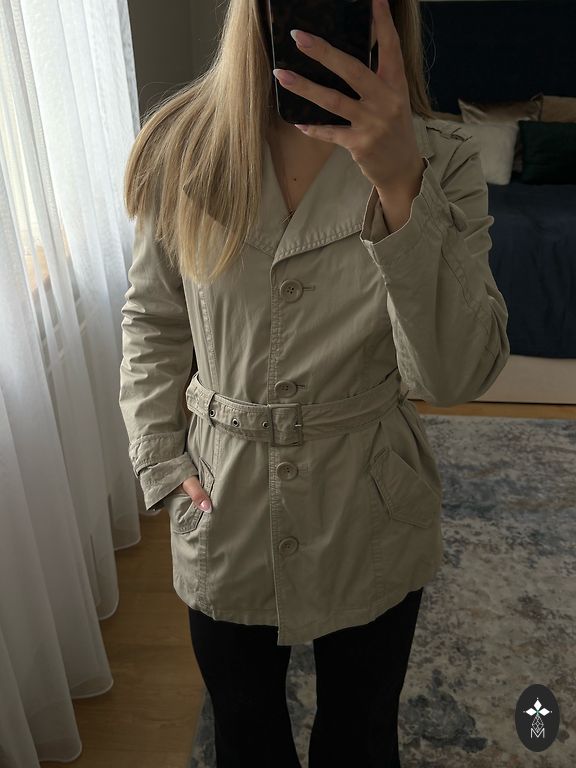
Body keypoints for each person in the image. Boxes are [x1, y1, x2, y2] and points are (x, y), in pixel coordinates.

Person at [119, 0, 510, 765]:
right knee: (245, 736)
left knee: (360, 737)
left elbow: (454, 375)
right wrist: (160, 456)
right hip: (224, 501)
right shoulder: (183, 147)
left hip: (371, 501)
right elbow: (153, 320)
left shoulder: (441, 159)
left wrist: (401, 185)